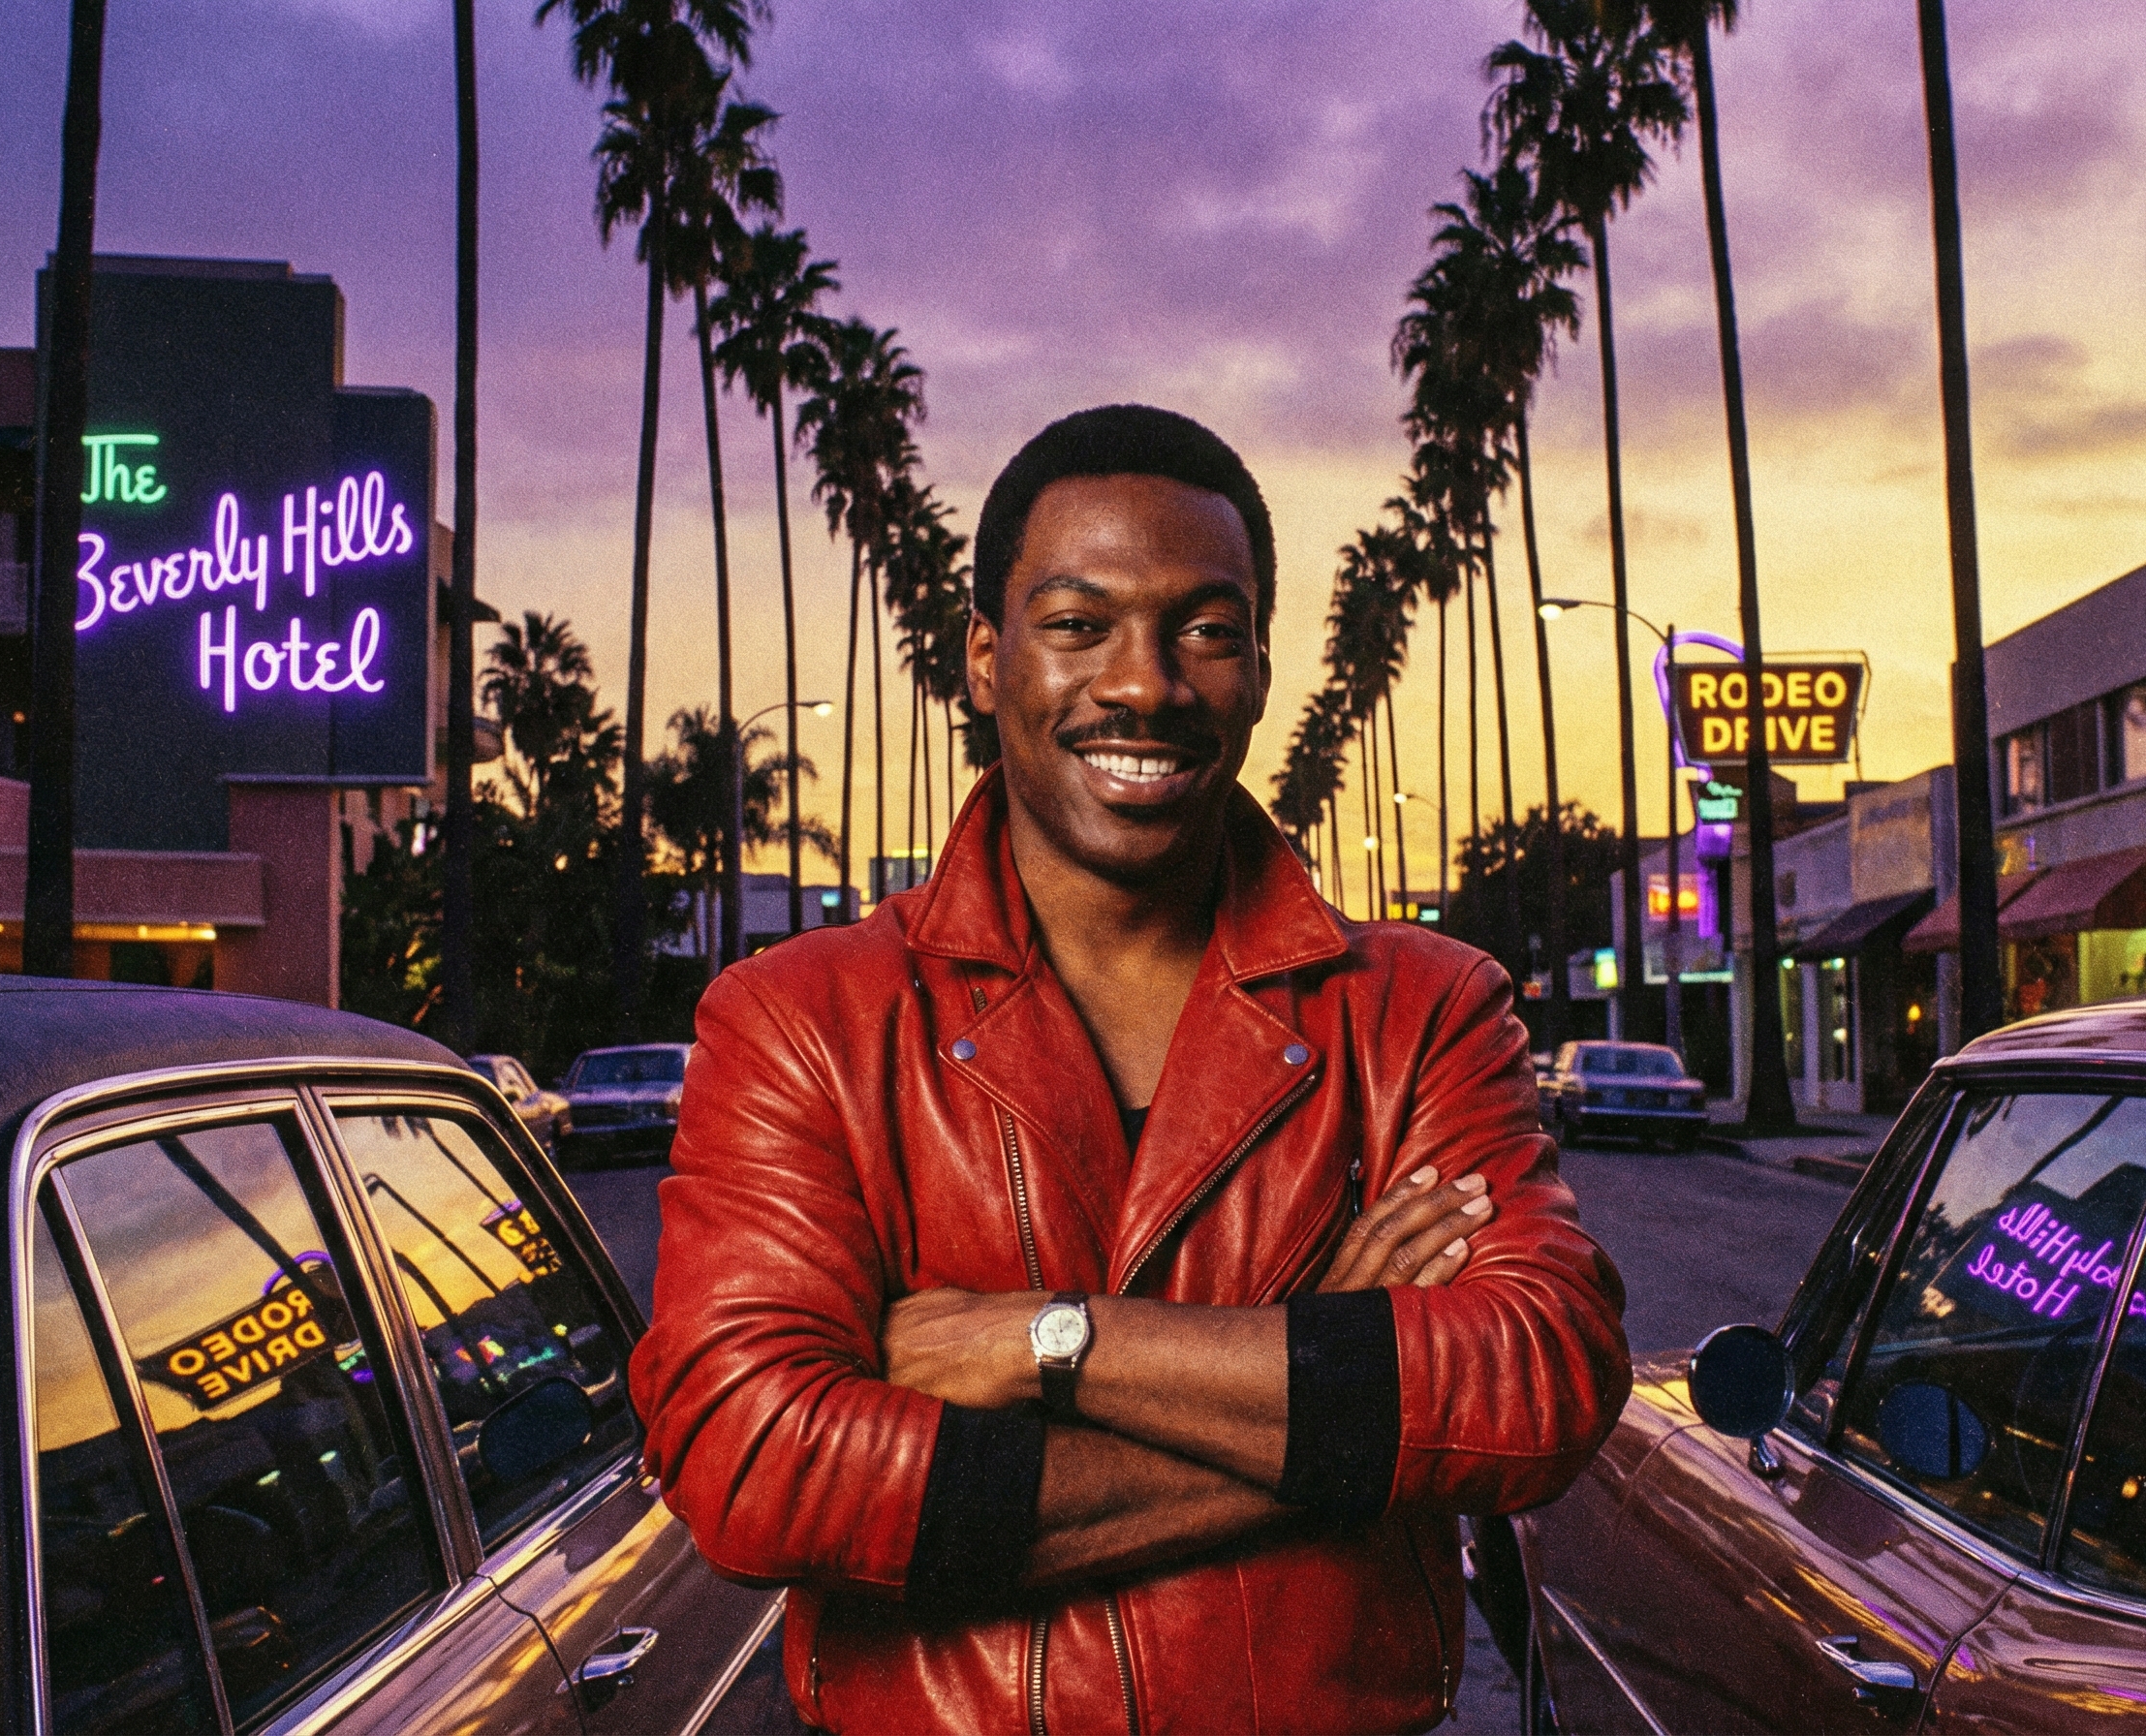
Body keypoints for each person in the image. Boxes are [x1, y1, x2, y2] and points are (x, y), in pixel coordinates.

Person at [632, 404, 1631, 1735]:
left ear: (1259, 669)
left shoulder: (1422, 1008)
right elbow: (755, 1463)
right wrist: (1327, 1385)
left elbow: (1537, 1378)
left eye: (1204, 631)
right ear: (985, 660)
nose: (1145, 684)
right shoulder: (801, 1020)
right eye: (1078, 624)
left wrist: (1042, 1339)